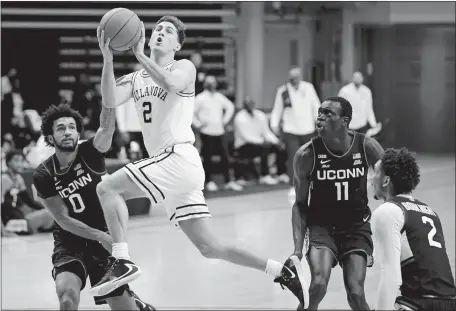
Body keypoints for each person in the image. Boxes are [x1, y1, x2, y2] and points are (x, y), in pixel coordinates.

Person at [89, 15, 307, 307]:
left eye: (168, 31)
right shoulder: (135, 77)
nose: (161, 33)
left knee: (107, 188)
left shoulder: (184, 67)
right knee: (209, 246)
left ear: (177, 44)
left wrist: (139, 53)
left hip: (178, 157)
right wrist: (107, 59)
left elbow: (168, 82)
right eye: (158, 29)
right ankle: (281, 270)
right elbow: (111, 99)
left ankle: (122, 259)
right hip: (169, 166)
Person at [32, 104, 154, 311]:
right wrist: (100, 236)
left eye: (72, 127)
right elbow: (62, 218)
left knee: (125, 308)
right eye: (61, 128)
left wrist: (110, 99)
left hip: (104, 240)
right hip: (70, 243)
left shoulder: (90, 151)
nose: (68, 132)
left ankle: (134, 302)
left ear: (78, 132)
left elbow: (106, 128)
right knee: (67, 297)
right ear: (51, 137)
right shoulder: (43, 174)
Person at [292, 96, 384, 310]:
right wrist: (297, 248)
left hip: (356, 227)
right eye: (319, 113)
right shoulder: (306, 154)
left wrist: (384, 195)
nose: (320, 118)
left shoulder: (366, 146)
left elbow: (390, 178)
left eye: (327, 114)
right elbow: (299, 204)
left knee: (356, 294)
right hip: (321, 227)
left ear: (345, 121)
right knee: (317, 286)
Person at [370, 148, 456, 311]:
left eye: (374, 172)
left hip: (419, 302)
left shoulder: (388, 211)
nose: (371, 178)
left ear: (386, 180)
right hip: (450, 302)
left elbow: (391, 276)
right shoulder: (429, 211)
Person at [270, 67, 321, 200]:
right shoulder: (283, 91)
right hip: (290, 129)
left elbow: (315, 105)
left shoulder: (308, 88)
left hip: (307, 128)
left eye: (296, 77)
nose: (294, 80)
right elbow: (277, 109)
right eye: (292, 78)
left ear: (300, 77)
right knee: (294, 157)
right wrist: (274, 125)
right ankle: (294, 185)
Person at [193, 75, 242, 192]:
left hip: (219, 131)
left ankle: (228, 181)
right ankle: (209, 181)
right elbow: (191, 113)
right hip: (206, 132)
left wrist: (224, 121)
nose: (211, 84)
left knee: (225, 157)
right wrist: (198, 124)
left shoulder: (219, 97)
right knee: (207, 157)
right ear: (205, 84)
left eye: (213, 82)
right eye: (209, 82)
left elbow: (230, 107)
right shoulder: (200, 98)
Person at [2, 149, 54, 235]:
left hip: (20, 219)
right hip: (9, 222)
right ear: (8, 162)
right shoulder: (4, 179)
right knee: (50, 215)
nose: (19, 164)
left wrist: (46, 208)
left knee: (52, 213)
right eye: (16, 160)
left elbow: (29, 202)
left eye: (21, 160)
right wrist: (2, 230)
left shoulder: (18, 178)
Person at [338, 72, 380, 136]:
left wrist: (373, 124)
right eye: (356, 77)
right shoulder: (344, 91)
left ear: (362, 79)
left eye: (359, 77)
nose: (357, 79)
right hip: (349, 125)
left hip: (362, 125)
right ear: (352, 78)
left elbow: (369, 109)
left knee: (360, 144)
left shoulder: (367, 91)